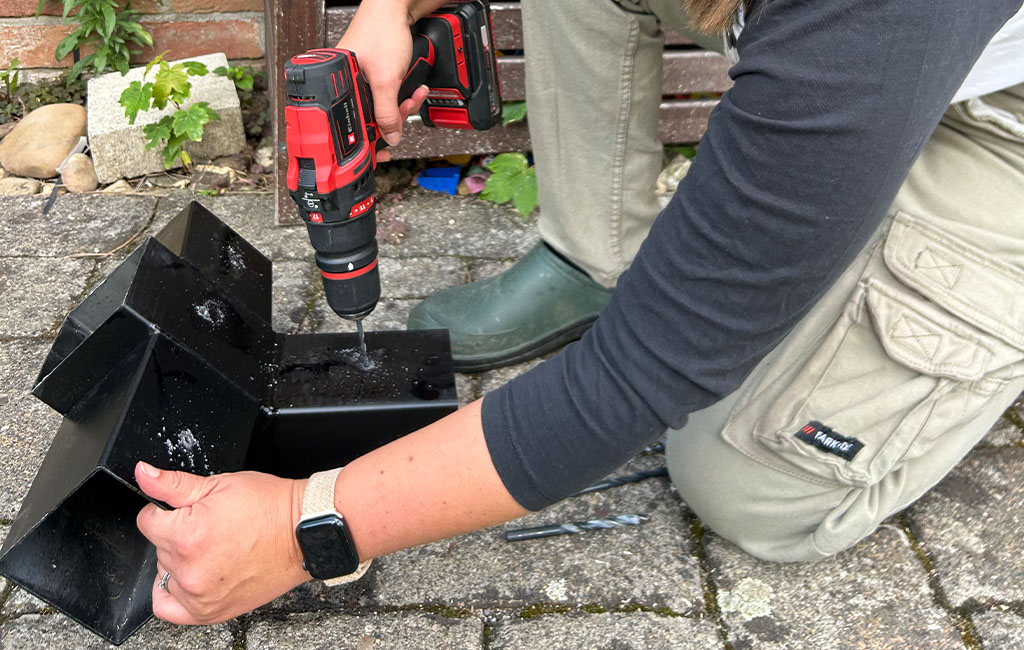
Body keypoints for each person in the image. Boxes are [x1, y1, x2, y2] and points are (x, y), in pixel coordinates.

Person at [132, 0, 1024, 625]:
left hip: (995, 122)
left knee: (740, 484)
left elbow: (640, 376)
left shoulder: (872, 18)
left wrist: (306, 528)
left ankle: (891, 240)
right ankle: (597, 257)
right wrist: (385, 14)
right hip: (867, 69)